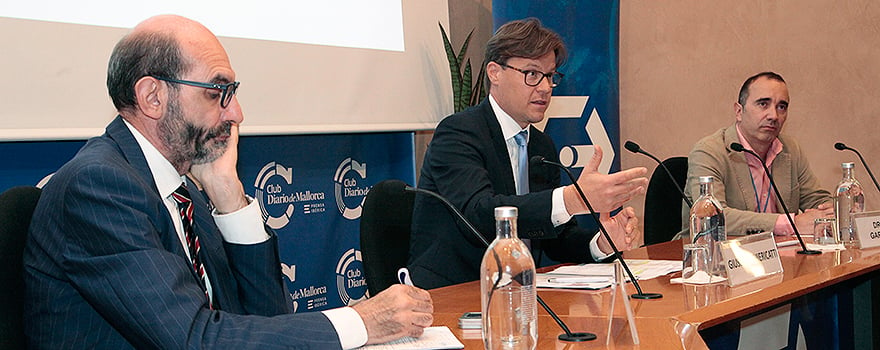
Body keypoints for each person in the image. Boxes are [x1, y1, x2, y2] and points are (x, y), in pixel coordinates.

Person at [23, 15, 432, 349]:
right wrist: (361, 322)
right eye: (218, 90)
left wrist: (228, 195)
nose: (236, 112)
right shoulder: (99, 186)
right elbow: (193, 340)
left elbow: (266, 317)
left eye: (232, 92)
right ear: (152, 97)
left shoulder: (181, 185)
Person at [408, 18, 648, 289]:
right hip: (455, 292)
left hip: (520, 293)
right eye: (532, 74)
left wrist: (601, 243)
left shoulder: (541, 146)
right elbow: (479, 216)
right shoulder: (458, 133)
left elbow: (553, 236)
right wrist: (571, 199)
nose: (545, 88)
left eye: (550, 76)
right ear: (495, 72)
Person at [680, 72, 832, 238]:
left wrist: (830, 212)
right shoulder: (709, 151)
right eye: (763, 104)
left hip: (778, 253)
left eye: (781, 107)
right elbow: (713, 218)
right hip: (715, 255)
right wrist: (791, 224)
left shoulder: (790, 149)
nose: (774, 115)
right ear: (739, 111)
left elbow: (817, 199)